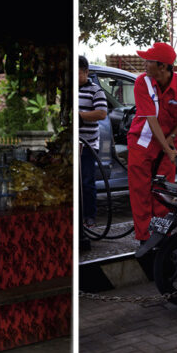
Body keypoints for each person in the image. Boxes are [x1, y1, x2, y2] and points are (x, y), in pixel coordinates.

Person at [127, 42, 177, 243]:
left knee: (162, 193)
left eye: (149, 61)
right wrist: (167, 148)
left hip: (170, 144)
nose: (145, 64)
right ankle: (143, 238)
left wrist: (171, 137)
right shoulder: (143, 82)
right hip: (142, 143)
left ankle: (159, 238)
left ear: (163, 67)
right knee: (140, 192)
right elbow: (151, 118)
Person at [79, 55, 108, 228]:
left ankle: (90, 216)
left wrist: (80, 116)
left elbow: (101, 113)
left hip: (87, 144)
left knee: (87, 182)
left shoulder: (95, 90)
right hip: (73, 144)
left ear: (86, 72)